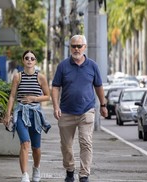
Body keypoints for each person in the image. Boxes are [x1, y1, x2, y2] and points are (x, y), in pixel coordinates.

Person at [51, 35, 108, 182]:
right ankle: (70, 170)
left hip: (86, 110)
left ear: (85, 47)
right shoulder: (63, 66)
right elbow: (56, 87)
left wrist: (103, 105)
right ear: (70, 47)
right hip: (66, 112)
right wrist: (56, 106)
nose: (76, 49)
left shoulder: (92, 66)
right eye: (73, 46)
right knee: (66, 146)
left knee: (86, 143)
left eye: (79, 46)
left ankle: (84, 175)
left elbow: (99, 86)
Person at [3, 50, 51, 182]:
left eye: (32, 58)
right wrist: (8, 114)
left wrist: (34, 98)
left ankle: (36, 168)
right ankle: (24, 175)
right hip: (20, 113)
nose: (29, 60)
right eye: (27, 58)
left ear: (35, 61)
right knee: (25, 143)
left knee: (36, 147)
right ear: (23, 60)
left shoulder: (40, 77)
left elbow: (47, 96)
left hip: (35, 114)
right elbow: (12, 96)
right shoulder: (17, 77)